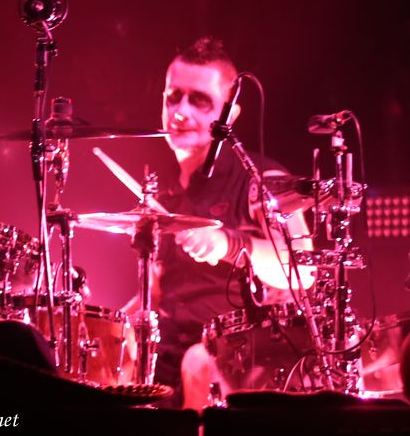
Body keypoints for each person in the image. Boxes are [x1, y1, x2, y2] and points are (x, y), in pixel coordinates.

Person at [131, 37, 313, 409]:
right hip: (166, 359)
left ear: (229, 116)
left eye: (199, 100)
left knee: (197, 361)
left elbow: (302, 269)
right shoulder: (163, 193)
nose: (180, 111)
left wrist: (229, 244)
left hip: (233, 362)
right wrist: (112, 323)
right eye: (173, 97)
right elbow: (156, 294)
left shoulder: (259, 179)